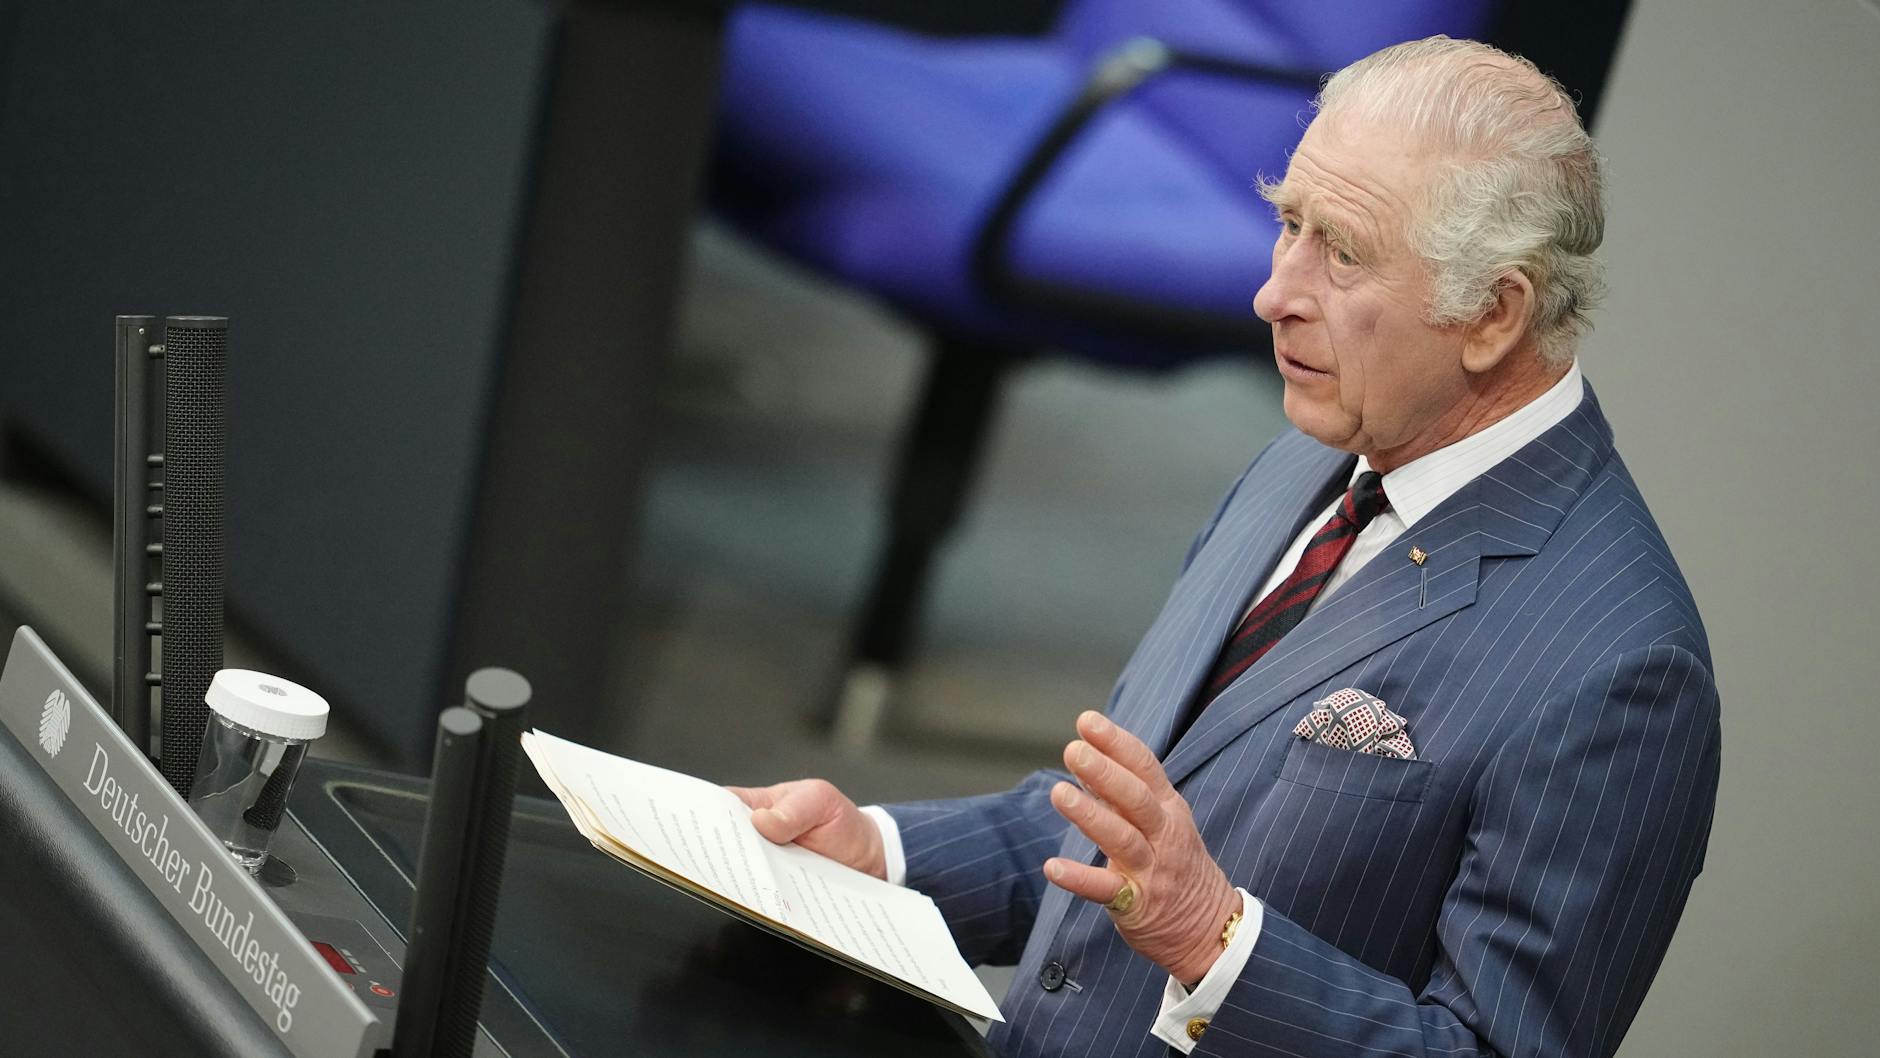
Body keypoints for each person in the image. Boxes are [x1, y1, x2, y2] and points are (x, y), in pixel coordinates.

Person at [732, 36, 1719, 1058]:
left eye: (1341, 252)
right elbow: (1126, 843)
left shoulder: (1621, 670)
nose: (1272, 293)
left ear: (1491, 313)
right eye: (1287, 222)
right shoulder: (1303, 461)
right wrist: (881, 851)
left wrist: (1213, 940)